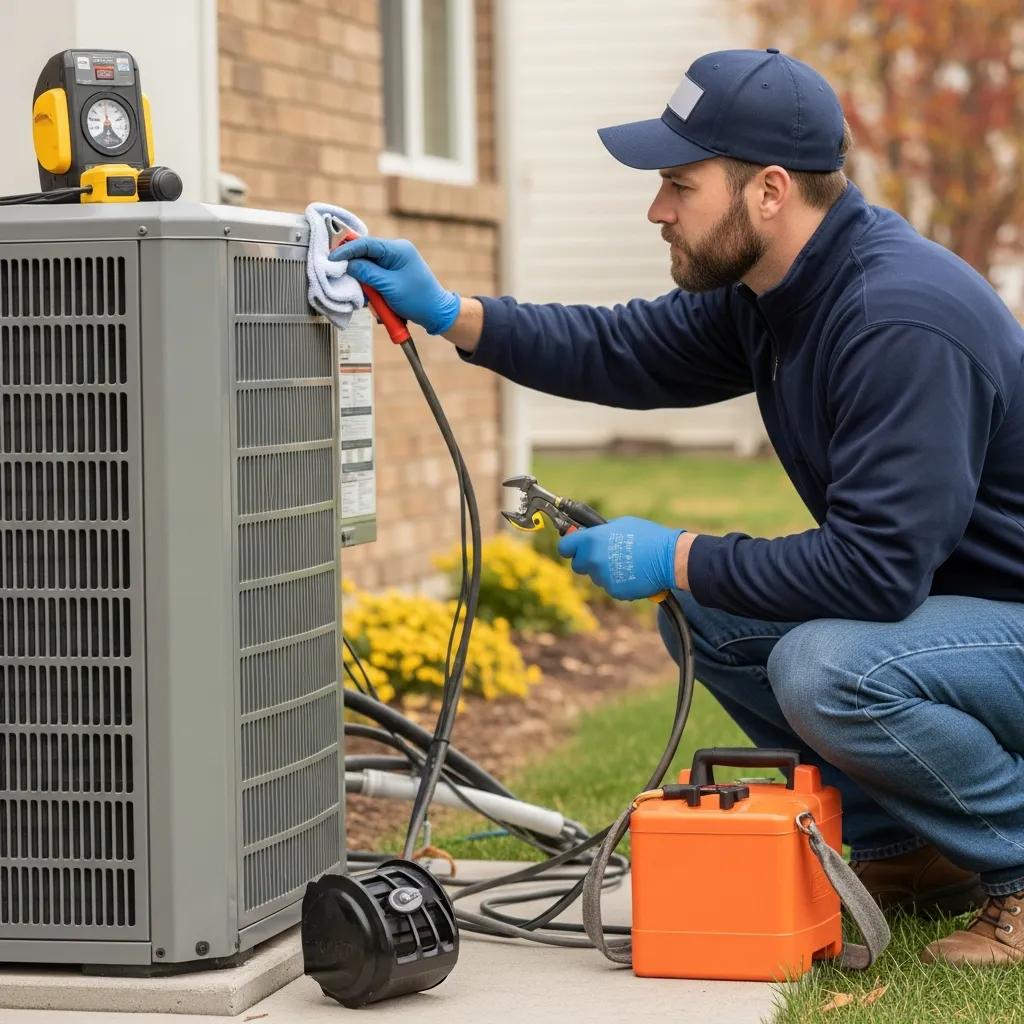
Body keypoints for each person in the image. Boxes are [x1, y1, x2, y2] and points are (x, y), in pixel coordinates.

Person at [330, 48, 1024, 966]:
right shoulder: (776, 292)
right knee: (708, 616)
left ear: (769, 191)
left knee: (826, 666)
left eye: (678, 184)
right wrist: (453, 311)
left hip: (1002, 625)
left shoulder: (896, 320)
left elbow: (877, 572)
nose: (658, 210)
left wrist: (677, 550)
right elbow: (623, 349)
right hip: (954, 625)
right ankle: (912, 850)